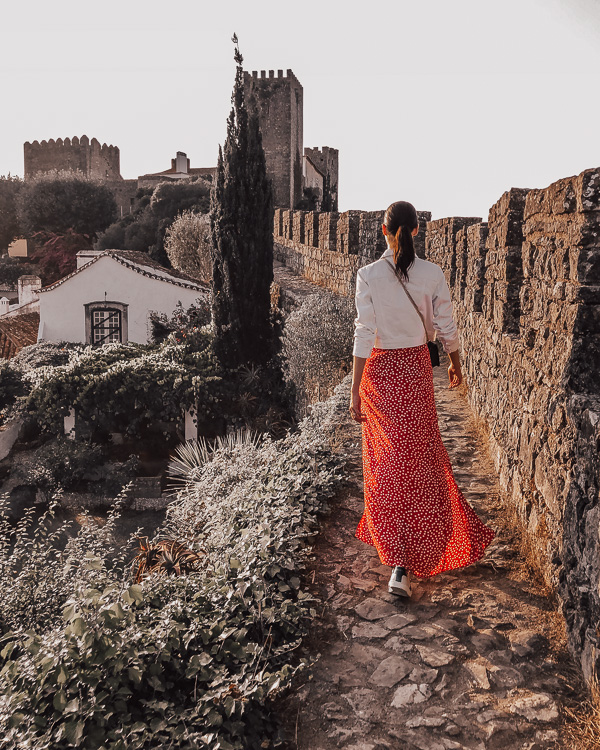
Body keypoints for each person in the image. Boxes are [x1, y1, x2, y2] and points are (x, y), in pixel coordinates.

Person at [349, 200, 494, 598]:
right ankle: (410, 556)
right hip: (414, 371)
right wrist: (455, 363)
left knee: (387, 464)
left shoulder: (368, 275)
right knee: (419, 460)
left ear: (384, 230)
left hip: (379, 375)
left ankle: (398, 557)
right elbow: (446, 324)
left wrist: (355, 390)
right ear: (416, 230)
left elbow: (364, 333)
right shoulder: (432, 274)